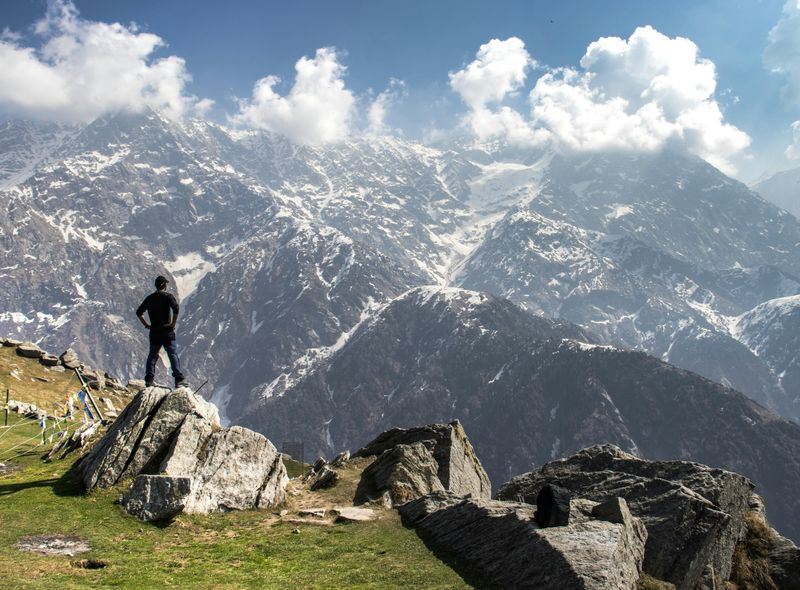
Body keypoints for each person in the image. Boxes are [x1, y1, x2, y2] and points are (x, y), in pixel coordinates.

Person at [136, 275, 186, 388]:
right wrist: (173, 323)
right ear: (164, 285)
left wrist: (146, 325)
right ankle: (178, 379)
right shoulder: (168, 297)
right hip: (166, 331)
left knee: (152, 355)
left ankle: (149, 379)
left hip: (154, 331)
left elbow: (139, 312)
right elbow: (176, 308)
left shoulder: (150, 298)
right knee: (172, 354)